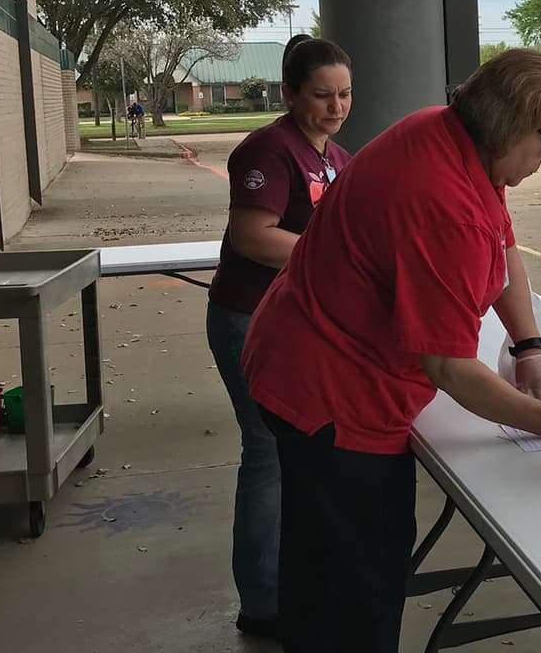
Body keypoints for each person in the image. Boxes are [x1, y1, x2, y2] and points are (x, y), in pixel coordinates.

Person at [241, 48, 541, 651]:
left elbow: (505, 249)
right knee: (357, 578)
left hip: (305, 355)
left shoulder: (451, 135)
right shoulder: (444, 203)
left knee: (323, 558)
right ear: (510, 125)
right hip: (333, 395)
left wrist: (530, 349)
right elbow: (449, 366)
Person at [204, 33, 350, 642]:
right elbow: (253, 237)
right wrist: (336, 258)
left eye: (344, 93)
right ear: (289, 93)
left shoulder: (334, 155)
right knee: (267, 453)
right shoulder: (268, 149)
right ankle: (263, 603)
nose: (336, 106)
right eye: (321, 95)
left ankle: (295, 582)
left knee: (299, 457)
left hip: (299, 325)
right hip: (249, 319)